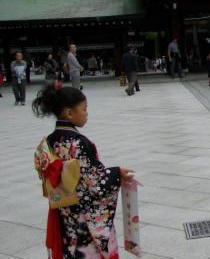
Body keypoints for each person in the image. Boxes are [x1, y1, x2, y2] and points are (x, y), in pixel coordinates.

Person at [32, 86, 135, 258]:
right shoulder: (79, 142)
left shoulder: (49, 141)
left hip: (64, 212)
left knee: (69, 249)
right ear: (69, 113)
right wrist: (117, 173)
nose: (87, 113)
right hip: (82, 214)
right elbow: (94, 184)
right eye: (84, 109)